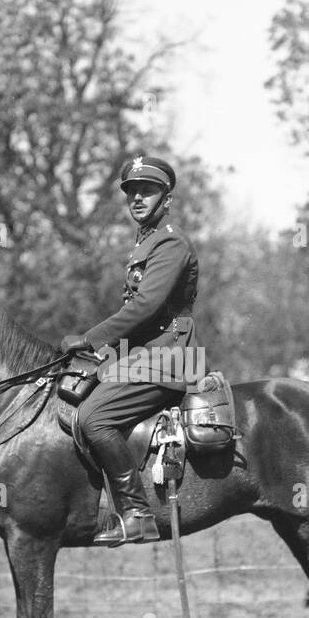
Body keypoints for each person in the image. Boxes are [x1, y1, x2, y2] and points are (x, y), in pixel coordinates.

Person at [61, 155, 201, 546]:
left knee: (93, 418)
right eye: (132, 192)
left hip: (170, 357)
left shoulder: (170, 241)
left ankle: (136, 514)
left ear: (166, 198)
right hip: (143, 354)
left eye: (148, 190)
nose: (137, 198)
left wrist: (92, 338)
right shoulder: (147, 241)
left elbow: (145, 307)